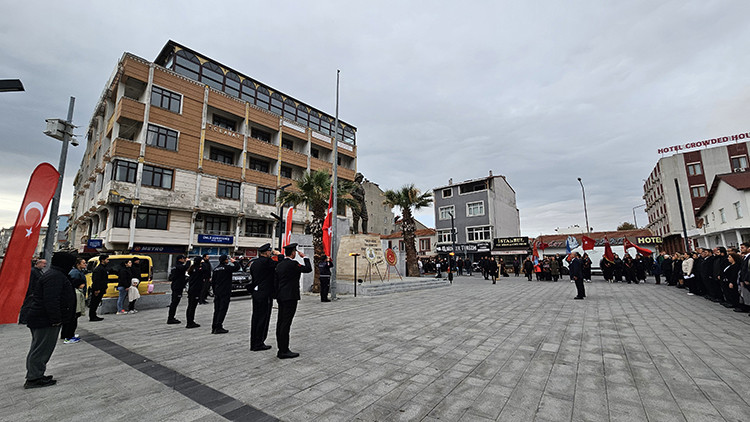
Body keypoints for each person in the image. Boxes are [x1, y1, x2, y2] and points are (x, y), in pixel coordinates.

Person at [23, 252, 77, 389]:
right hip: (45, 320)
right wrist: (56, 319)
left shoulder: (54, 274)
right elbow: (51, 300)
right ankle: (34, 378)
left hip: (43, 318)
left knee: (40, 348)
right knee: (41, 349)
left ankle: (36, 374)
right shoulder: (55, 277)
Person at [274, 243, 312, 359]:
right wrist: (305, 257)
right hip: (290, 297)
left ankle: (281, 348)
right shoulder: (293, 264)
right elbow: (308, 269)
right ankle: (284, 350)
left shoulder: (280, 265)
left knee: (280, 322)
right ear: (293, 253)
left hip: (281, 296)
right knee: (286, 323)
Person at [249, 243, 279, 350]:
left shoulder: (254, 263)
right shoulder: (267, 262)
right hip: (265, 293)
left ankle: (254, 342)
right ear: (266, 252)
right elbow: (280, 263)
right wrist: (279, 255)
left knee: (256, 318)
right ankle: (259, 342)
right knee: (263, 318)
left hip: (256, 292)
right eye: (269, 251)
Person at [210, 254, 240, 334]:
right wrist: (235, 261)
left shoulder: (216, 269)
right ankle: (219, 326)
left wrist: (214, 291)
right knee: (223, 309)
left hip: (217, 292)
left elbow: (213, 282)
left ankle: (214, 326)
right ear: (225, 260)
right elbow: (237, 268)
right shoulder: (227, 268)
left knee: (217, 310)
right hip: (225, 291)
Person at [61, 258, 87, 343]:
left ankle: (67, 335)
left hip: (76, 296)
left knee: (72, 320)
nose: (85, 264)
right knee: (71, 320)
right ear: (78, 264)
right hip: (74, 300)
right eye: (83, 263)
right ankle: (68, 336)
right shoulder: (74, 273)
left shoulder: (79, 272)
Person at [19, 259, 48, 325]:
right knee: (27, 305)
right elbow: (30, 282)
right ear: (38, 263)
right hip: (31, 292)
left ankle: (26, 318)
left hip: (35, 292)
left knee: (30, 305)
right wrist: (30, 292)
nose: (45, 265)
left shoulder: (39, 271)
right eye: (44, 264)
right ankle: (23, 319)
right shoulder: (33, 271)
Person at [185, 256, 207, 328]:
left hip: (191, 290)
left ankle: (189, 321)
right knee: (192, 306)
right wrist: (203, 263)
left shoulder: (192, 268)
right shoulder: (198, 269)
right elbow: (205, 269)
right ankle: (190, 323)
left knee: (190, 306)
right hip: (196, 290)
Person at [167, 255, 190, 324]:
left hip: (175, 285)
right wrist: (188, 261)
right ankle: (170, 318)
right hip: (178, 286)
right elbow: (185, 267)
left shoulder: (175, 266)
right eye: (184, 259)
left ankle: (171, 317)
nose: (184, 260)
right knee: (174, 302)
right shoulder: (179, 266)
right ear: (181, 259)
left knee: (174, 302)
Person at [88, 254, 109, 321]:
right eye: (107, 259)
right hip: (98, 289)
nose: (108, 261)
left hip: (101, 288)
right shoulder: (99, 269)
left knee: (96, 303)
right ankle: (92, 316)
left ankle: (94, 315)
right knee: (94, 303)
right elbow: (96, 280)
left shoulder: (103, 268)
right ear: (103, 260)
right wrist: (97, 289)